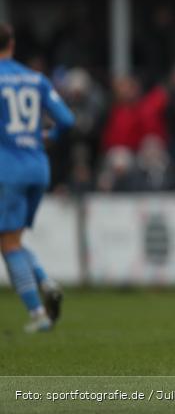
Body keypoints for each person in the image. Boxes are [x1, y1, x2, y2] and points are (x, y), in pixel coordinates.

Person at [0, 22, 74, 332]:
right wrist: (46, 135)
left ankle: (38, 314)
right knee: (13, 238)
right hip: (38, 167)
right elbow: (67, 120)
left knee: (8, 243)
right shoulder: (36, 78)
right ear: (12, 44)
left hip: (7, 168)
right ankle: (45, 280)